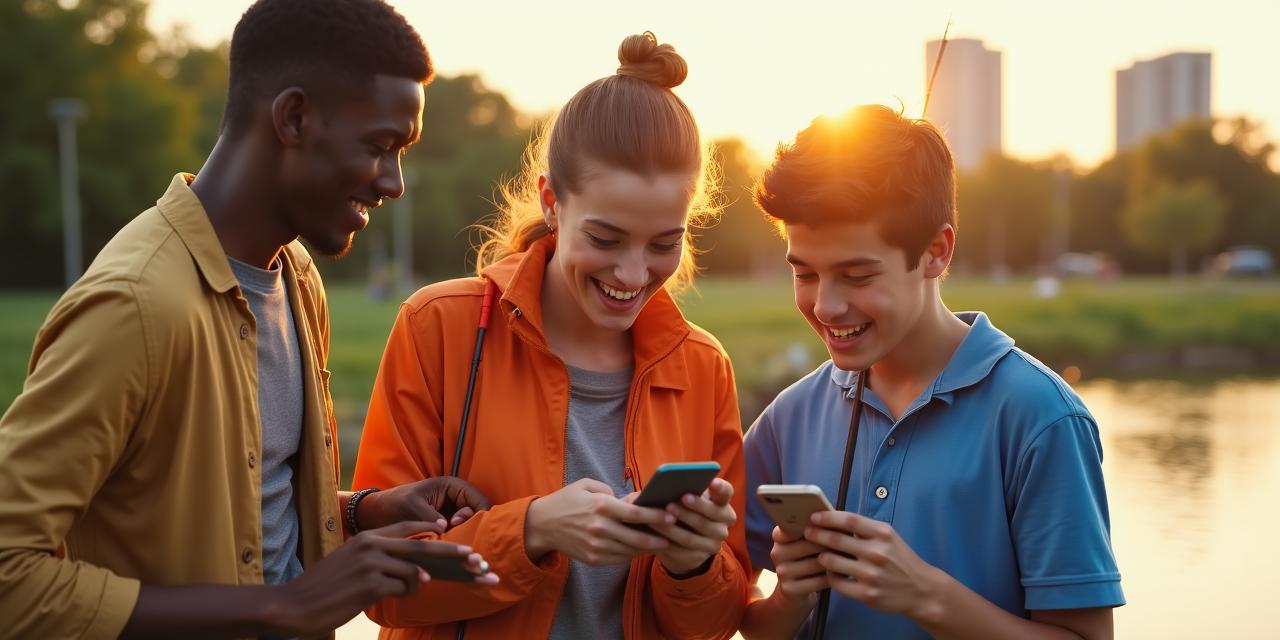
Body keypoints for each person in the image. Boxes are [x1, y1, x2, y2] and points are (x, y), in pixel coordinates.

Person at [0, 1, 495, 638]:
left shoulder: (296, 277)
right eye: (379, 147)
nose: (394, 182)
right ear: (293, 118)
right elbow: (11, 571)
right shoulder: (134, 305)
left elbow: (243, 515)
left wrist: (362, 514)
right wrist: (281, 608)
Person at [352, 32, 751, 640]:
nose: (633, 274)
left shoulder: (701, 366)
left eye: (664, 244)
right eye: (606, 239)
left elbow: (719, 624)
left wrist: (692, 562)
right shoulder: (438, 328)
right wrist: (533, 530)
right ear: (552, 202)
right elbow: (381, 586)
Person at [738, 105, 1124, 639]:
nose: (825, 306)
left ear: (936, 253)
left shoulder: (1040, 418)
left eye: (856, 275)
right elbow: (741, 617)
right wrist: (788, 600)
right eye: (804, 273)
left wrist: (927, 596)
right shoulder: (789, 416)